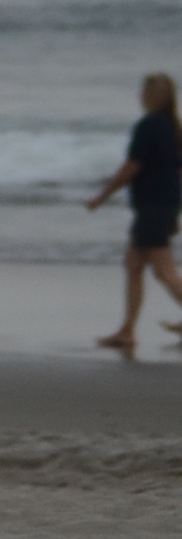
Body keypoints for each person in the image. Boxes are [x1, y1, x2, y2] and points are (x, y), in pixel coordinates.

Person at [86, 72, 182, 355]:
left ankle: (127, 330)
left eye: (144, 90)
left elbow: (132, 166)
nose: (140, 95)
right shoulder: (173, 127)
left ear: (152, 95)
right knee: (133, 265)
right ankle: (126, 331)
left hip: (153, 206)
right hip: (162, 205)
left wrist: (102, 195)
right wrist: (174, 211)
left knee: (164, 271)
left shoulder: (149, 125)